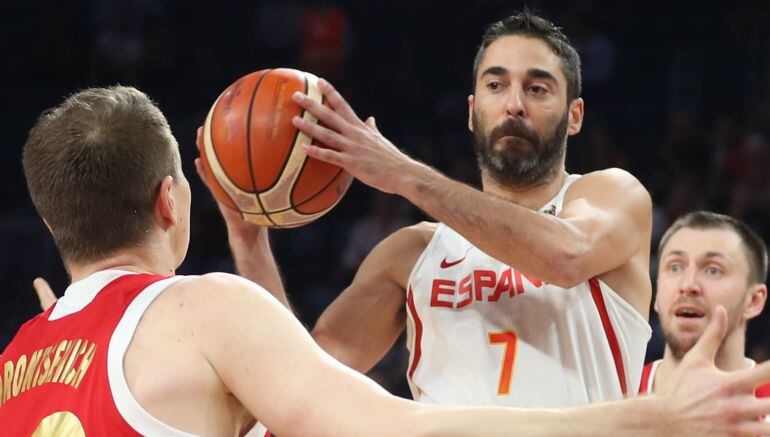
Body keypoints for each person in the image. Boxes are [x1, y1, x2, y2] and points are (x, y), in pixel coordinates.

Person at [13, 88, 770, 437]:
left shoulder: (19, 358)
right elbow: (396, 428)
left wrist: (252, 247)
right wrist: (657, 419)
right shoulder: (203, 311)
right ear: (173, 200)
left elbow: (286, 392)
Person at [228, 10, 652, 407]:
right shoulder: (411, 253)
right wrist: (249, 242)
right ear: (472, 112)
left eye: (537, 88)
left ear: (574, 116)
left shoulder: (612, 195)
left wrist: (405, 174)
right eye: (495, 85)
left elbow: (566, 256)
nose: (514, 104)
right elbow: (303, 384)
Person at [638, 212, 770, 412]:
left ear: (753, 301)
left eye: (713, 270)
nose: (688, 285)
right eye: (675, 267)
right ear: (655, 296)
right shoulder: (612, 394)